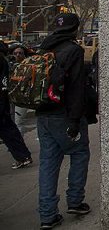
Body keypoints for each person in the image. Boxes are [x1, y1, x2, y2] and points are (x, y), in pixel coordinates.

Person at [36, 13, 92, 230]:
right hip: (63, 114)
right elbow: (77, 88)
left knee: (48, 163)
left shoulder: (44, 47)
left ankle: (47, 215)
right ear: (75, 28)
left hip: (43, 114)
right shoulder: (73, 50)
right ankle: (75, 201)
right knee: (79, 153)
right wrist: (76, 119)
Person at [0, 41, 34, 169]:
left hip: (2, 102)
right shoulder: (4, 62)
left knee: (9, 131)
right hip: (4, 101)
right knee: (9, 131)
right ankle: (23, 156)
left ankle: (23, 156)